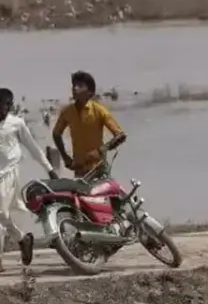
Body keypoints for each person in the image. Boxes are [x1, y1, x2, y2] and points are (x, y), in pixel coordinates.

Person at [0, 89, 57, 269]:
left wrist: (49, 168)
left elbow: (33, 148)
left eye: (8, 105)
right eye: (2, 104)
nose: (5, 108)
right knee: (3, 217)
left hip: (9, 175)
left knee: (1, 214)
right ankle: (23, 240)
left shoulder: (16, 124)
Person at [52, 71, 125, 179]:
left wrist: (101, 150)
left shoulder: (99, 110)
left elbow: (120, 135)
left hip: (99, 168)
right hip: (79, 170)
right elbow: (56, 134)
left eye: (80, 86)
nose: (75, 88)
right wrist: (65, 157)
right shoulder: (67, 112)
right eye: (74, 85)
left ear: (90, 92)